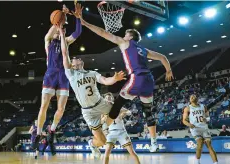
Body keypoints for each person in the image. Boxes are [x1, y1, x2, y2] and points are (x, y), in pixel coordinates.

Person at [80, 9, 173, 152]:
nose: (124, 36)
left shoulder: (125, 43)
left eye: (126, 34)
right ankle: (154, 143)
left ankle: (104, 131)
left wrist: (85, 23)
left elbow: (103, 33)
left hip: (137, 78)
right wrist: (168, 71)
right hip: (149, 80)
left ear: (130, 37)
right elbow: (163, 57)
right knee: (148, 111)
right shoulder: (143, 49)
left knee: (117, 104)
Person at [58, 19, 126, 158]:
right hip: (87, 111)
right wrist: (61, 33)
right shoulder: (71, 74)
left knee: (119, 108)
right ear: (73, 64)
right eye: (74, 58)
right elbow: (65, 54)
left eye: (77, 58)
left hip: (100, 103)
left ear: (81, 63)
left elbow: (105, 80)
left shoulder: (92, 73)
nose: (76, 59)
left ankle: (105, 126)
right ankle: (92, 144)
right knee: (102, 141)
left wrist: (115, 79)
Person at [34, 4, 83, 149]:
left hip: (63, 75)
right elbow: (51, 31)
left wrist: (77, 18)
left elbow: (78, 31)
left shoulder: (66, 42)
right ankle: (38, 132)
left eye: (60, 28)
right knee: (44, 105)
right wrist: (62, 15)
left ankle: (52, 130)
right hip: (51, 73)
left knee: (61, 109)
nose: (58, 30)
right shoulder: (48, 41)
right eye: (57, 28)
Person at [101, 94, 140, 164]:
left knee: (131, 152)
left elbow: (129, 112)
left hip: (122, 132)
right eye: (107, 98)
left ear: (112, 99)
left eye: (110, 98)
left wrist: (124, 113)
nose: (109, 99)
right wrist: (106, 117)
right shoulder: (103, 111)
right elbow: (101, 121)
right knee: (106, 153)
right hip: (111, 133)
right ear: (105, 100)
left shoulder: (118, 107)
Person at [183, 95, 218, 164]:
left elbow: (208, 117)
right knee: (200, 143)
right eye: (191, 97)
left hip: (204, 128)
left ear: (197, 98)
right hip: (195, 129)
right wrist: (189, 124)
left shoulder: (203, 106)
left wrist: (206, 119)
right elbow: (184, 120)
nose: (192, 97)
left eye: (194, 96)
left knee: (209, 145)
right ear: (189, 100)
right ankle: (198, 161)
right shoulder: (187, 108)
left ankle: (215, 162)